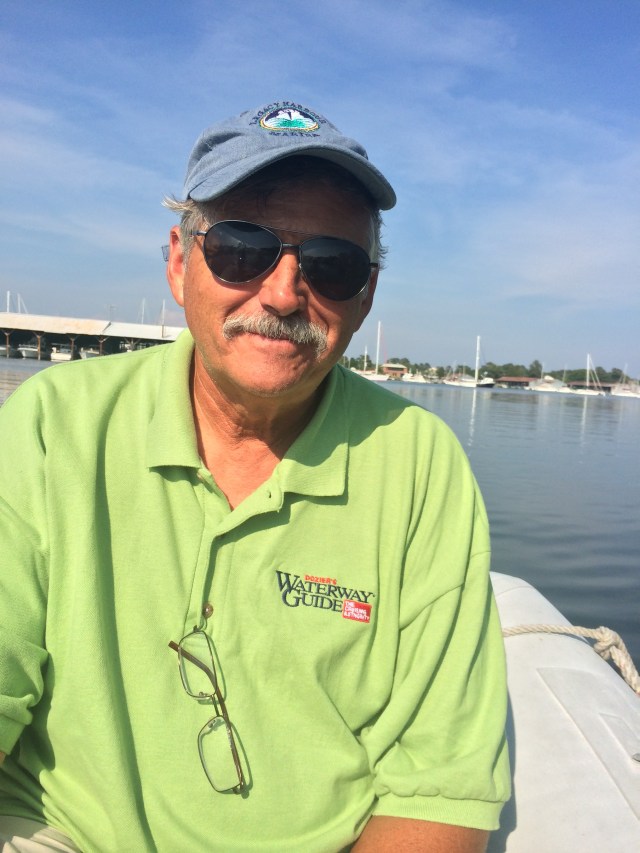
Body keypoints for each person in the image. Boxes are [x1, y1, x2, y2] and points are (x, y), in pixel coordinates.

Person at [0, 100, 510, 852]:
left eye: (331, 264)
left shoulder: (421, 466)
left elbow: (437, 789)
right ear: (180, 263)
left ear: (364, 296)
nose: (280, 292)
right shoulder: (51, 425)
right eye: (241, 248)